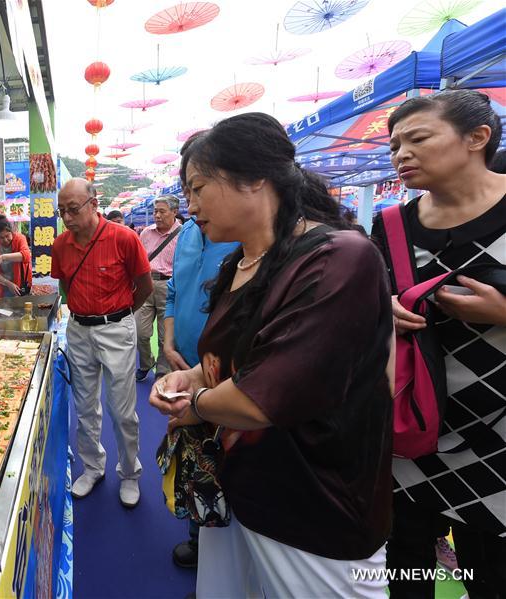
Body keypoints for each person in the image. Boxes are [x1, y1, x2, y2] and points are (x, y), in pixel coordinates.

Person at [151, 113, 393, 598]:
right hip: (241, 489)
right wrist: (194, 377)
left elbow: (267, 397)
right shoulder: (240, 262)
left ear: (254, 178)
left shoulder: (337, 258)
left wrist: (193, 408)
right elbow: (235, 358)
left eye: (199, 187)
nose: (191, 205)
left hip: (313, 504)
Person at [374, 89, 506, 598]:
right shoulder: (391, 225)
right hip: (414, 424)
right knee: (406, 563)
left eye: (417, 139)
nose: (400, 154)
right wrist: (381, 307)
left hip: (499, 434)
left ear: (477, 138)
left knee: (490, 571)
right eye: (393, 145)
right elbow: (371, 299)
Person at [51, 178, 152, 508]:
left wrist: (121, 317)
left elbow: (144, 286)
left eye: (73, 209)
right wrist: (84, 312)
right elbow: (66, 285)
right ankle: (93, 467)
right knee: (85, 407)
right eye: (62, 210)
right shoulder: (61, 244)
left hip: (116, 328)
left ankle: (130, 473)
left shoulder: (124, 238)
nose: (67, 217)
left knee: (122, 409)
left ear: (94, 204)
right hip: (79, 329)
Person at [164, 175, 239, 571]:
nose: (191, 204)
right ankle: (199, 532)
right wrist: (169, 340)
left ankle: (221, 548)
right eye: (187, 192)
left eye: (199, 189)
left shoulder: (244, 235)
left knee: (228, 455)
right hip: (185, 361)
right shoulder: (190, 233)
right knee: (192, 454)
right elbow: (175, 289)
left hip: (227, 371)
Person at [134, 194, 182, 382]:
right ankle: (146, 363)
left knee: (165, 335)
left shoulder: (184, 233)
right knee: (140, 332)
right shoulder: (146, 232)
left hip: (170, 285)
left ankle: (162, 369)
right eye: (155, 211)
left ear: (174, 212)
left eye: (162, 211)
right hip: (146, 284)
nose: (157, 215)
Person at [0, 214, 32, 297]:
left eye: (7, 236)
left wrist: (2, 257)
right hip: (5, 288)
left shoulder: (19, 239)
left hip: (22, 285)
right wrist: (8, 283)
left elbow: (26, 256)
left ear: (11, 231)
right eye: (1, 237)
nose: (5, 240)